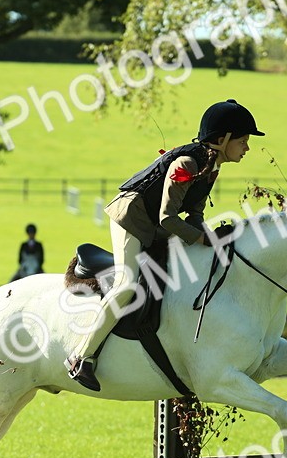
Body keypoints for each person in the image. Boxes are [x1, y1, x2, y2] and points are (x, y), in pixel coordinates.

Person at [65, 98, 263, 391]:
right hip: (131, 216)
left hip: (156, 225)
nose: (247, 148)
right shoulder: (187, 163)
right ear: (223, 139)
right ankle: (81, 357)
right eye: (243, 140)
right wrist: (202, 238)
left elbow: (194, 217)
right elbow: (169, 218)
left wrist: (214, 243)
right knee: (127, 284)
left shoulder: (211, 167)